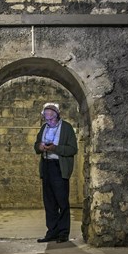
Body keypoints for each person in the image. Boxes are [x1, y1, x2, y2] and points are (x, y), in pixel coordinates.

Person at [34, 103, 78, 243]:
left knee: (61, 201)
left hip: (59, 167)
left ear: (57, 116)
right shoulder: (44, 128)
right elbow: (36, 146)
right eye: (46, 118)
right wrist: (40, 147)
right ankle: (52, 231)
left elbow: (72, 149)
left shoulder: (67, 128)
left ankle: (63, 233)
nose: (49, 121)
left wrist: (55, 149)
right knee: (49, 202)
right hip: (47, 166)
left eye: (51, 118)